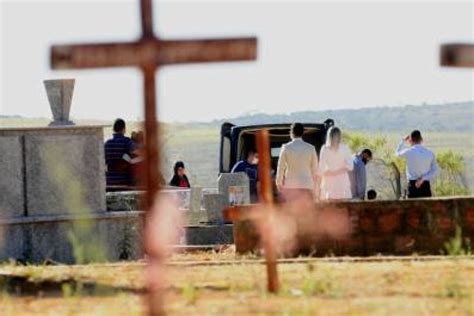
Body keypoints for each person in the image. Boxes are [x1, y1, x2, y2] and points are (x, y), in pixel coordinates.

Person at [276, 123, 319, 201]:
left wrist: (278, 182)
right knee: (308, 212)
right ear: (302, 133)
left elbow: (281, 167)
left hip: (291, 186)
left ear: (291, 133)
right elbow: (315, 170)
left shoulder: (285, 147)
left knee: (292, 212)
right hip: (307, 185)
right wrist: (316, 187)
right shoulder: (311, 148)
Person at [395, 130, 438, 198]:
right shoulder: (430, 153)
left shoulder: (409, 152)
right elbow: (435, 170)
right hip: (425, 186)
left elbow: (397, 153)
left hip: (412, 186)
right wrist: (423, 179)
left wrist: (403, 141)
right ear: (421, 139)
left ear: (410, 140)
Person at [319, 126, 353, 200]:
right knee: (338, 208)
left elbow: (351, 166)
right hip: (336, 181)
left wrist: (333, 172)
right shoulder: (326, 148)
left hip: (335, 180)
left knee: (335, 208)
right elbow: (350, 166)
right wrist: (335, 172)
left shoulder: (344, 148)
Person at [104, 118, 136, 186]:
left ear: (113, 129)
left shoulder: (107, 144)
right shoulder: (127, 142)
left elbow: (103, 162)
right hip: (125, 181)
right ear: (124, 129)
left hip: (109, 181)